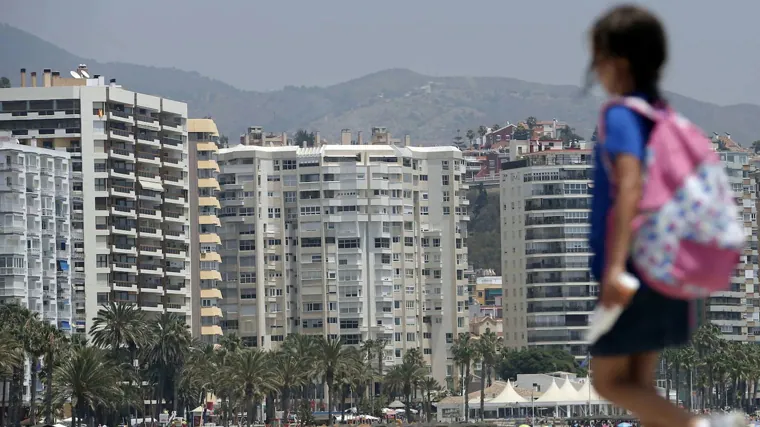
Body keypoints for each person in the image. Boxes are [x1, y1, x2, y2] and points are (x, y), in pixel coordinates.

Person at [585, 5, 744, 427]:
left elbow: (630, 186)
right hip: (666, 265)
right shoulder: (663, 117)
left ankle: (703, 426)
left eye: (596, 58)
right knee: (640, 385)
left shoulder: (621, 115)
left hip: (637, 268)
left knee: (608, 382)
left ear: (616, 63)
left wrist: (616, 269)